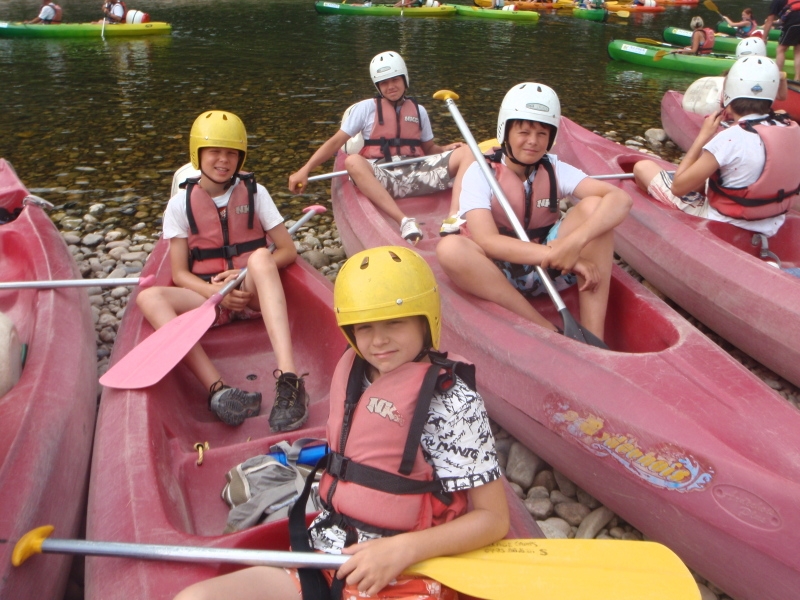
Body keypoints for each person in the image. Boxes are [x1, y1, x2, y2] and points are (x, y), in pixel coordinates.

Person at [173, 245, 509, 600]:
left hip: (408, 570)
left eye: (395, 322)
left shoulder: (452, 401)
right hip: (326, 555)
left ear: (426, 320)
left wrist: (404, 550)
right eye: (364, 327)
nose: (378, 340)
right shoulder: (353, 374)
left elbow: (492, 519)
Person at [136, 110, 309, 433]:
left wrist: (242, 274)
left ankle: (290, 382)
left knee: (260, 256)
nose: (223, 160)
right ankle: (219, 390)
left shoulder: (256, 193)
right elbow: (179, 272)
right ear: (197, 154)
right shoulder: (179, 205)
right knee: (149, 297)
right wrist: (216, 294)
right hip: (212, 303)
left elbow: (286, 250)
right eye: (215, 152)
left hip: (253, 295)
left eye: (231, 153)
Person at [436, 83, 632, 342]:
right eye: (524, 131)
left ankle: (595, 339)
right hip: (500, 271)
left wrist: (574, 244)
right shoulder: (480, 173)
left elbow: (620, 199)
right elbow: (487, 240)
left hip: (551, 269)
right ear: (505, 131)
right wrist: (561, 256)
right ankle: (546, 329)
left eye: (542, 133)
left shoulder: (555, 169)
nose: (533, 141)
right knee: (449, 249)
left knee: (596, 207)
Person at [288, 51, 466, 244]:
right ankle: (404, 221)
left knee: (467, 152)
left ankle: (453, 217)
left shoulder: (419, 110)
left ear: (405, 79)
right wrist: (305, 170)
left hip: (418, 173)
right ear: (378, 86)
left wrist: (447, 149)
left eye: (395, 80)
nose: (390, 87)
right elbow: (335, 143)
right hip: (385, 177)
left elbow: (429, 148)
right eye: (384, 83)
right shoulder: (365, 109)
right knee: (353, 161)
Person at [633, 57, 800, 239]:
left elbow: (678, 187)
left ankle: (663, 222)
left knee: (642, 167)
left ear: (727, 95)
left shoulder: (730, 138)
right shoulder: (789, 126)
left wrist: (703, 136)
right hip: (771, 219)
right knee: (706, 179)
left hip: (723, 223)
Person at [763, 0, 800, 81]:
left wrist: (764, 38)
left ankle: (777, 76)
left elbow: (769, 20)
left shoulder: (776, 2)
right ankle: (797, 79)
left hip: (793, 23)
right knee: (798, 51)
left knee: (780, 49)